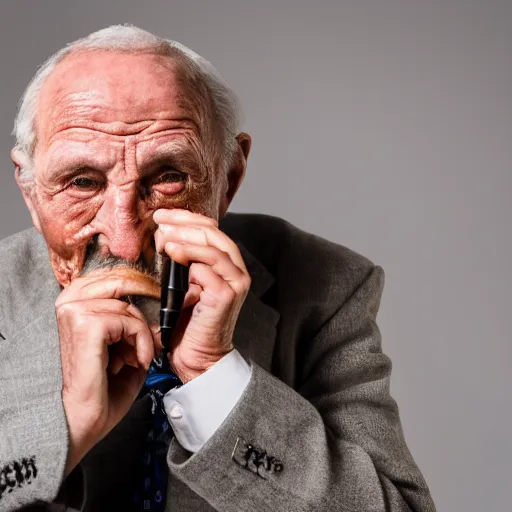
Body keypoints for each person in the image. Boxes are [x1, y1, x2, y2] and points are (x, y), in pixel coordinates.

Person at [0, 25, 436, 512]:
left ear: (227, 179)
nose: (123, 238)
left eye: (167, 177)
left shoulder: (328, 285)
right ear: (32, 192)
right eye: (82, 181)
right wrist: (68, 425)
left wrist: (216, 380)